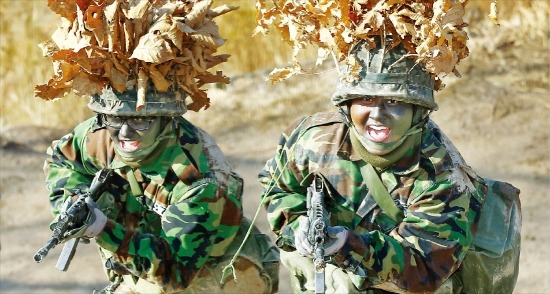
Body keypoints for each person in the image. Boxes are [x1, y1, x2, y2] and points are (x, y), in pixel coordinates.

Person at [258, 38, 487, 293]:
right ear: (347, 106)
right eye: (366, 98)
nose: (377, 114)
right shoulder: (312, 141)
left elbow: (424, 268)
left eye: (394, 101)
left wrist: (348, 245)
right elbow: (277, 189)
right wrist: (297, 227)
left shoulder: (443, 176)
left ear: (418, 112)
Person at [43, 86, 279, 293]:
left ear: (167, 121)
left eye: (140, 121)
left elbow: (175, 273)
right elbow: (62, 159)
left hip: (220, 268)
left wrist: (102, 229)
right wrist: (71, 199)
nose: (124, 132)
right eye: (116, 119)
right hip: (152, 257)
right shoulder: (105, 132)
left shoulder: (199, 179)